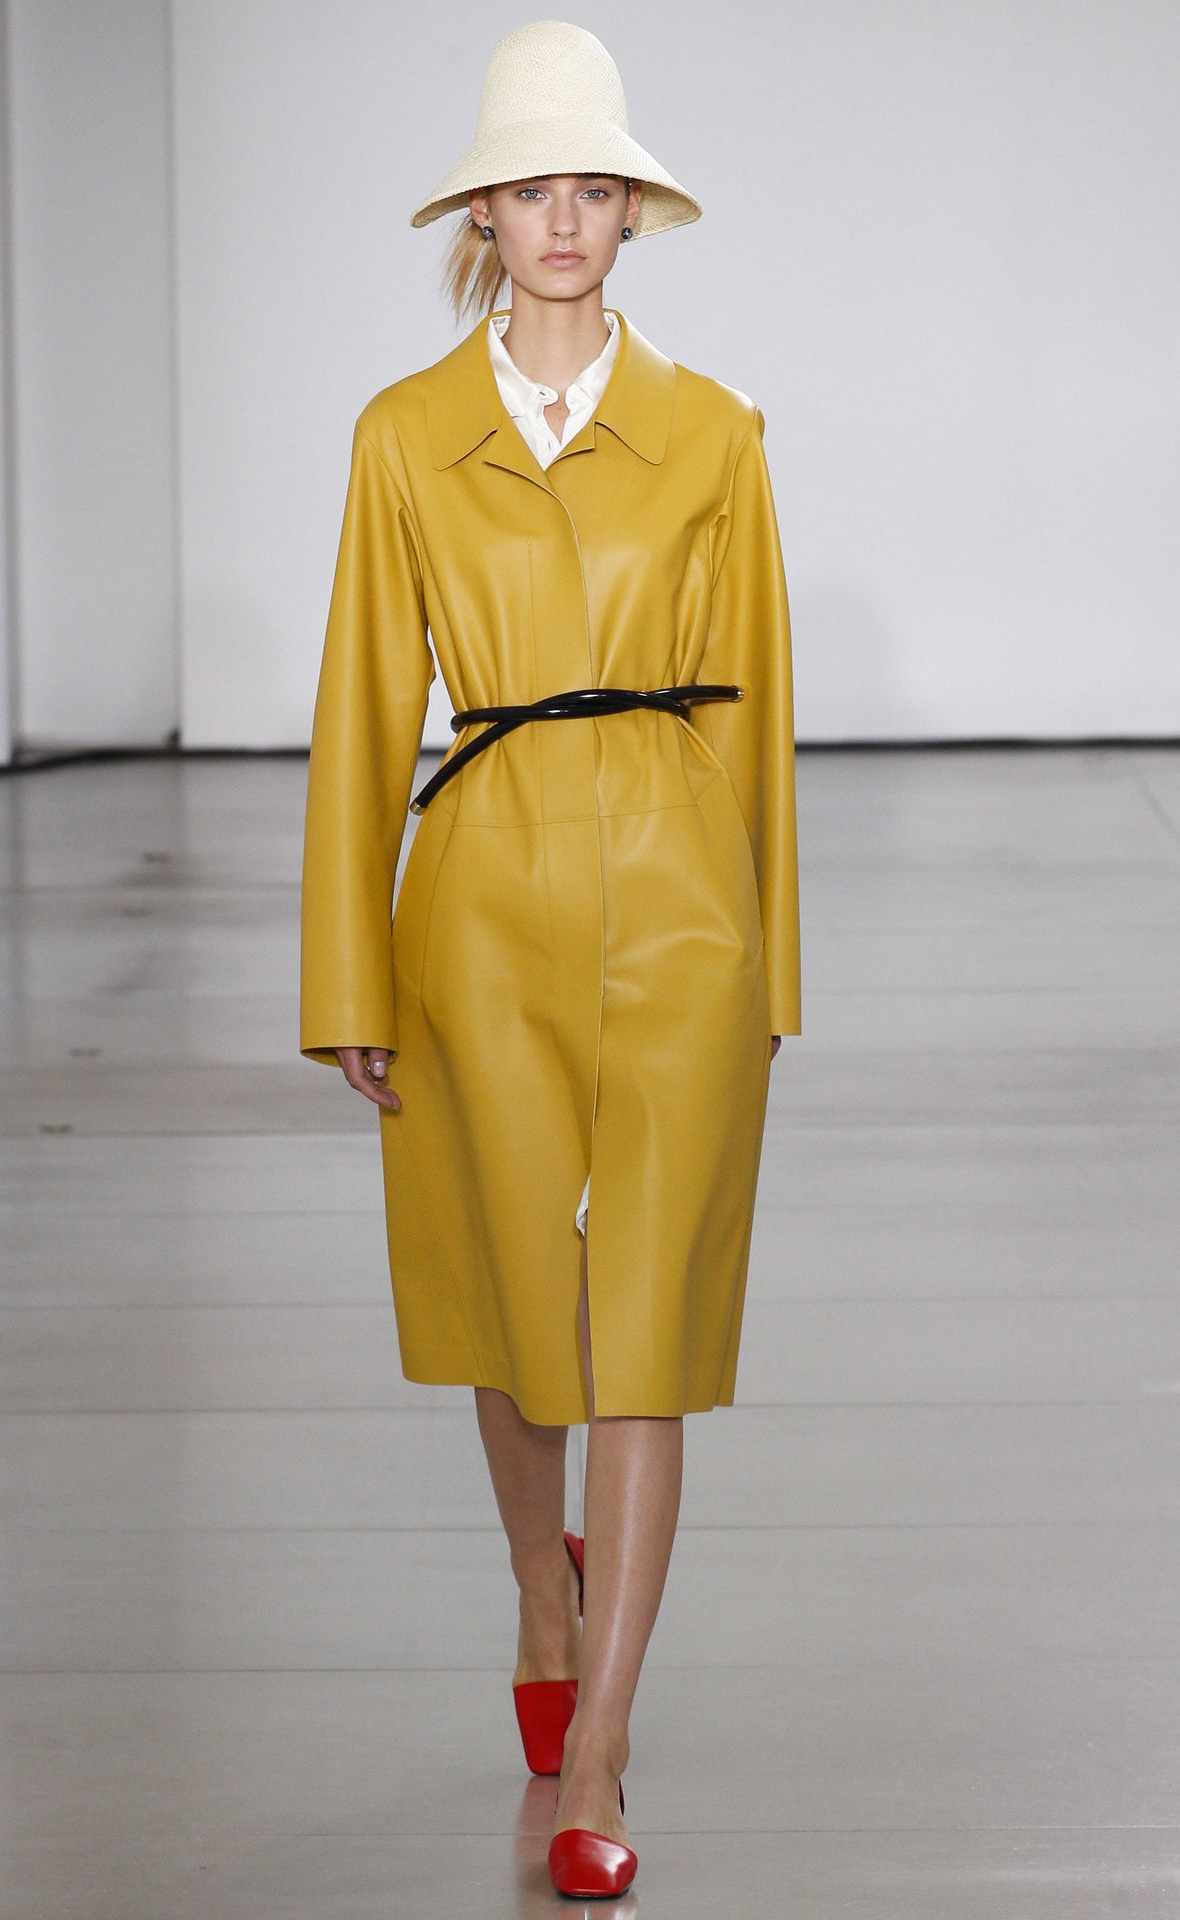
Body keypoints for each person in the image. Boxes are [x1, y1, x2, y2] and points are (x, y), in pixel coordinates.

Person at [300, 20, 800, 1900]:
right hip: (482, 902)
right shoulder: (403, 438)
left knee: (643, 1316)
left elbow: (758, 715)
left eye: (596, 188)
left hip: (679, 895)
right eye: (533, 190)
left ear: (632, 214)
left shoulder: (718, 433)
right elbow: (364, 712)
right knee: (515, 1302)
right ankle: (540, 1585)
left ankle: (599, 1741)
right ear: (485, 219)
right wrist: (345, 978)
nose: (567, 220)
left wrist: (769, 975)